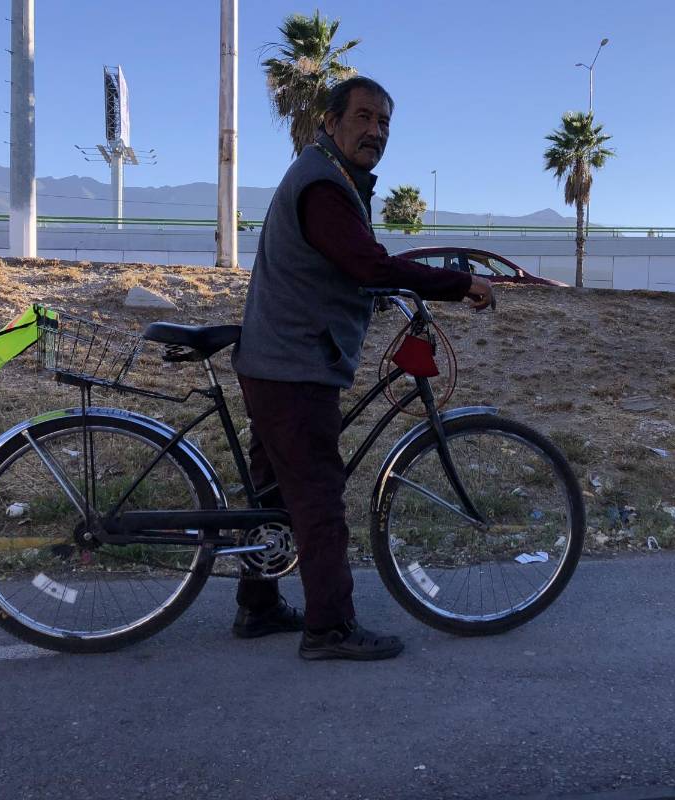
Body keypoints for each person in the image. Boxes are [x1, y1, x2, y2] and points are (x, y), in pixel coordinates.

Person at [230, 76, 493, 662]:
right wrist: (456, 283)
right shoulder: (324, 183)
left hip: (279, 357)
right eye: (365, 117)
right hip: (294, 363)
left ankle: (258, 603)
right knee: (318, 498)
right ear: (330, 121)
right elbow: (364, 262)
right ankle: (329, 629)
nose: (375, 131)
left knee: (274, 490)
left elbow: (341, 266)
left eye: (385, 124)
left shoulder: (329, 176)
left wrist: (374, 290)